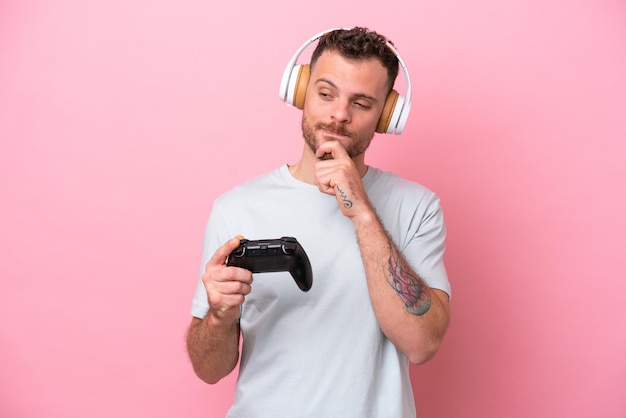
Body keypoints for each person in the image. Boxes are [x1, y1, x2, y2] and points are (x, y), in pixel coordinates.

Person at [186, 27, 451, 417]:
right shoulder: (236, 209)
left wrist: (361, 210)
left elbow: (422, 343)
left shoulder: (417, 207)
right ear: (300, 92)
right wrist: (219, 317)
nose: (339, 115)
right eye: (326, 94)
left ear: (386, 116)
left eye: (361, 103)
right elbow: (208, 370)